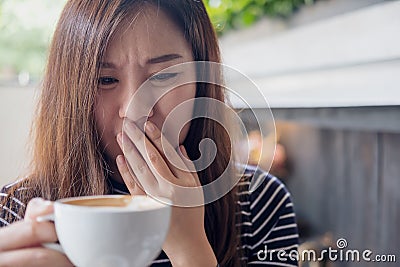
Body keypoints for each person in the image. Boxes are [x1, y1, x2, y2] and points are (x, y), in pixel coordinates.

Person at [0, 0, 299, 266]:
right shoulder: (13, 213)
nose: (135, 109)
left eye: (165, 75)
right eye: (105, 79)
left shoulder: (259, 202)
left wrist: (190, 248)